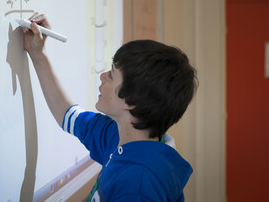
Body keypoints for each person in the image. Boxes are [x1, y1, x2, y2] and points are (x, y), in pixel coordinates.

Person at [21, 13, 198, 201]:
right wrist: (37, 54)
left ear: (131, 101)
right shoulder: (118, 135)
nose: (102, 76)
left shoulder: (139, 185)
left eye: (111, 75)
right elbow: (67, 115)